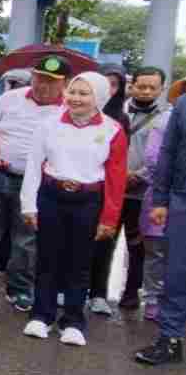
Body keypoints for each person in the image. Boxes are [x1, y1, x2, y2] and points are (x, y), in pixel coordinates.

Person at [21, 72, 127, 347]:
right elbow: (33, 165)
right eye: (72, 92)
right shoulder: (49, 124)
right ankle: (41, 316)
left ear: (99, 97)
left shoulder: (112, 130)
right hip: (51, 197)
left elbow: (115, 178)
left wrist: (109, 218)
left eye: (84, 93)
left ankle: (73, 321)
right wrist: (29, 205)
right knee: (47, 259)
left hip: (88, 201)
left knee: (79, 264)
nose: (75, 98)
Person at [0, 56, 69, 311]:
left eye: (51, 81)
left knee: (26, 238)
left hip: (36, 184)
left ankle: (19, 288)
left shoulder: (66, 110)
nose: (43, 84)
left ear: (63, 83)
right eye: (39, 77)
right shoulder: (10, 98)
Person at [108, 66, 170, 312]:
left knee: (138, 247)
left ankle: (131, 292)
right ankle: (96, 290)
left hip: (142, 194)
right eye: (141, 86)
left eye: (152, 87)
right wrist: (117, 174)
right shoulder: (116, 111)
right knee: (105, 241)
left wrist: (139, 175)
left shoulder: (167, 117)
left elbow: (163, 154)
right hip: (112, 191)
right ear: (131, 86)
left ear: (161, 89)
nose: (146, 91)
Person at [137, 77, 186, 365]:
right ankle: (170, 340)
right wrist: (160, 199)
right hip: (182, 197)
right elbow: (168, 152)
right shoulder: (183, 105)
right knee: (177, 273)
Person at [87, 63, 131, 315]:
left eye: (115, 85)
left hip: (106, 190)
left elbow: (117, 163)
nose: (109, 89)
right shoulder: (74, 110)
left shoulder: (120, 119)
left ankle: (98, 293)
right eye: (105, 82)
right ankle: (66, 288)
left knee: (104, 241)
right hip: (78, 188)